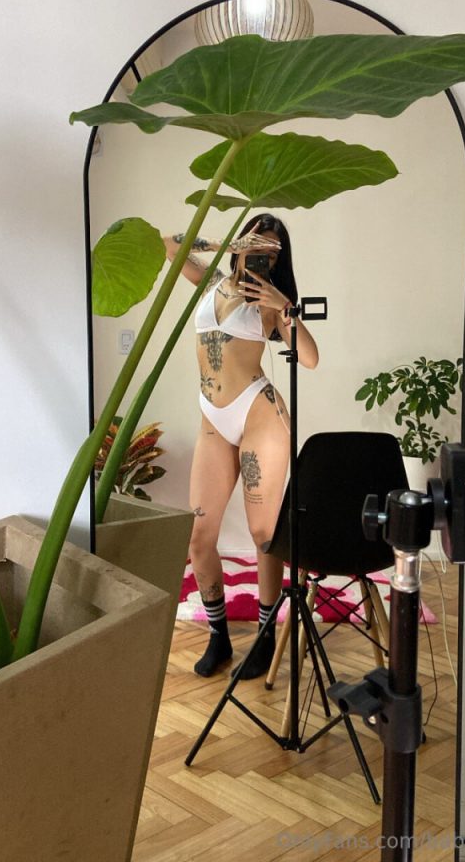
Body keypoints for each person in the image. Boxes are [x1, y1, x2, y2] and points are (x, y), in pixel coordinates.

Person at [164, 214, 319, 678]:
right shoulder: (211, 281)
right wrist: (225, 244)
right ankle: (219, 637)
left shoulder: (270, 302)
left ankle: (266, 636)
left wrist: (284, 306)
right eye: (256, 245)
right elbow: (168, 243)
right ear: (242, 243)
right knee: (199, 537)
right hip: (213, 419)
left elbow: (310, 359)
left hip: (259, 416)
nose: (262, 255)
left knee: (263, 534)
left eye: (272, 251)